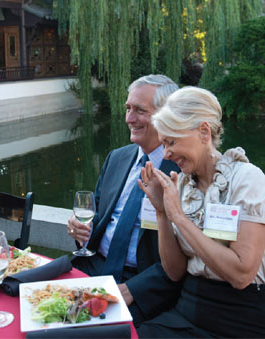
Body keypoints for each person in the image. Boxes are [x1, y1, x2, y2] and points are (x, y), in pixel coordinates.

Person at [136, 87, 265, 337]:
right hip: (187, 311)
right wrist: (162, 213)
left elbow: (241, 275)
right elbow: (175, 271)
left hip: (238, 321)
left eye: (171, 142)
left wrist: (179, 216)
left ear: (203, 132)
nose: (166, 153)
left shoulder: (247, 180)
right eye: (163, 143)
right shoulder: (182, 185)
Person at [67, 75, 182, 326]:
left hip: (141, 283)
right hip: (94, 267)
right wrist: (79, 228)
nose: (129, 119)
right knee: (39, 309)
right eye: (128, 108)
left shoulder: (183, 171)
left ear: (168, 115)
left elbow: (184, 258)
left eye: (140, 111)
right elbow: (95, 217)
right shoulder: (117, 158)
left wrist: (133, 289)